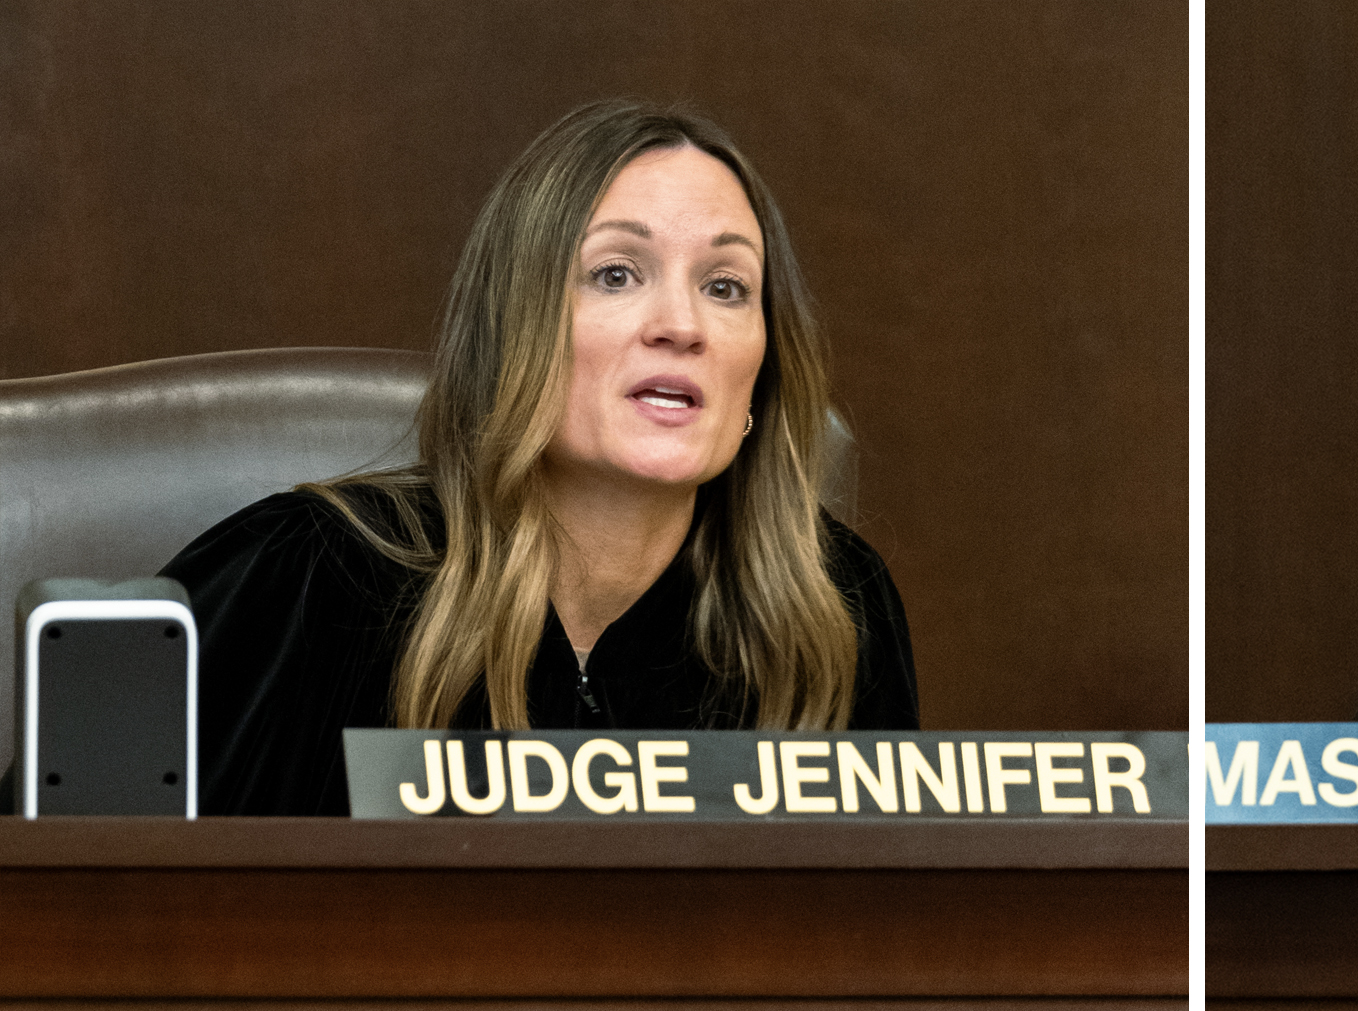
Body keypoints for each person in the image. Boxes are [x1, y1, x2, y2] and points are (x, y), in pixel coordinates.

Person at [163, 100, 918, 816]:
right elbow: (100, 902)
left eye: (725, 287)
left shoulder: (834, 609)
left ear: (763, 369)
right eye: (616, 274)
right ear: (514, 329)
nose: (682, 325)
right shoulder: (304, 575)